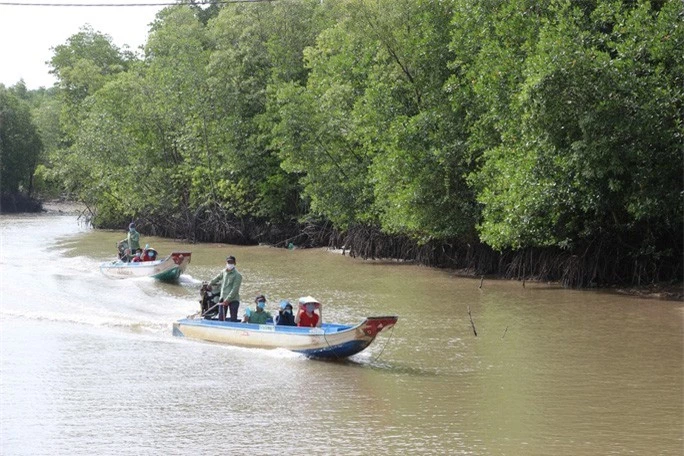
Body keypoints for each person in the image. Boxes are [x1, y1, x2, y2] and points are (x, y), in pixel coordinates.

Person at [208, 255, 242, 322]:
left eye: (231, 262)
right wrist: (210, 283)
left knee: (233, 319)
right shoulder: (224, 272)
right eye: (228, 262)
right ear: (226, 263)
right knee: (221, 319)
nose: (230, 264)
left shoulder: (237, 275)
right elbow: (217, 278)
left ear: (235, 263)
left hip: (233, 299)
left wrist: (228, 300)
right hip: (222, 298)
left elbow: (235, 289)